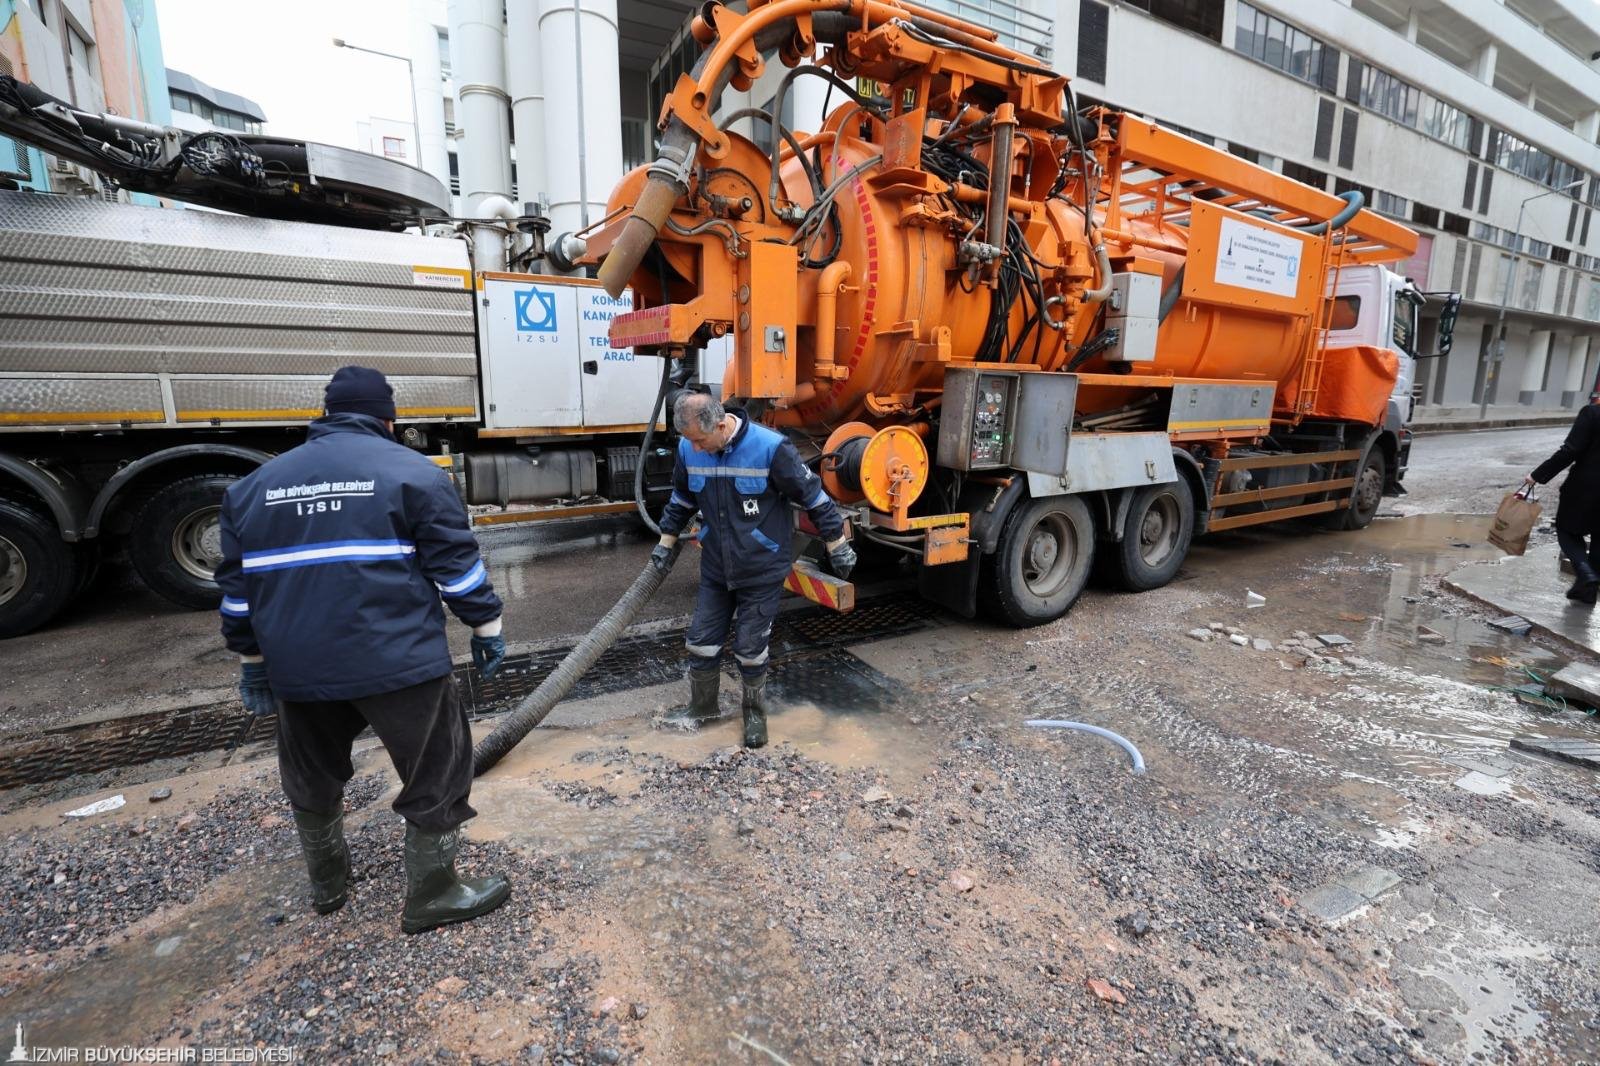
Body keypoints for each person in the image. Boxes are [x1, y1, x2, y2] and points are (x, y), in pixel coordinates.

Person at [215, 366, 512, 934]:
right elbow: (458, 571)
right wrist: (487, 628)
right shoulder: (415, 475)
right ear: (388, 418)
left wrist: (252, 664)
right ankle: (433, 893)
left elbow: (237, 594)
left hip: (297, 669)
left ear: (325, 415)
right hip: (397, 662)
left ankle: (328, 885)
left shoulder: (251, 489)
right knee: (437, 766)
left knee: (311, 771)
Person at [651, 392, 856, 748]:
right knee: (701, 640)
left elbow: (813, 496)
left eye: (700, 441)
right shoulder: (689, 450)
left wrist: (837, 544)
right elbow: (681, 499)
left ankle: (754, 716)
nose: (695, 450)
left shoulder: (770, 448)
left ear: (719, 425)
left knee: (750, 647)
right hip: (716, 566)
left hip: (761, 567)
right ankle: (702, 708)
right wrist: (665, 543)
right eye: (689, 441)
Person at [1526, 394, 1600, 604]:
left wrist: (1537, 476)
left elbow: (1571, 450)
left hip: (1586, 485)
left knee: (1566, 529)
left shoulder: (1592, 413)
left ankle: (1585, 572)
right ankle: (1587, 590)